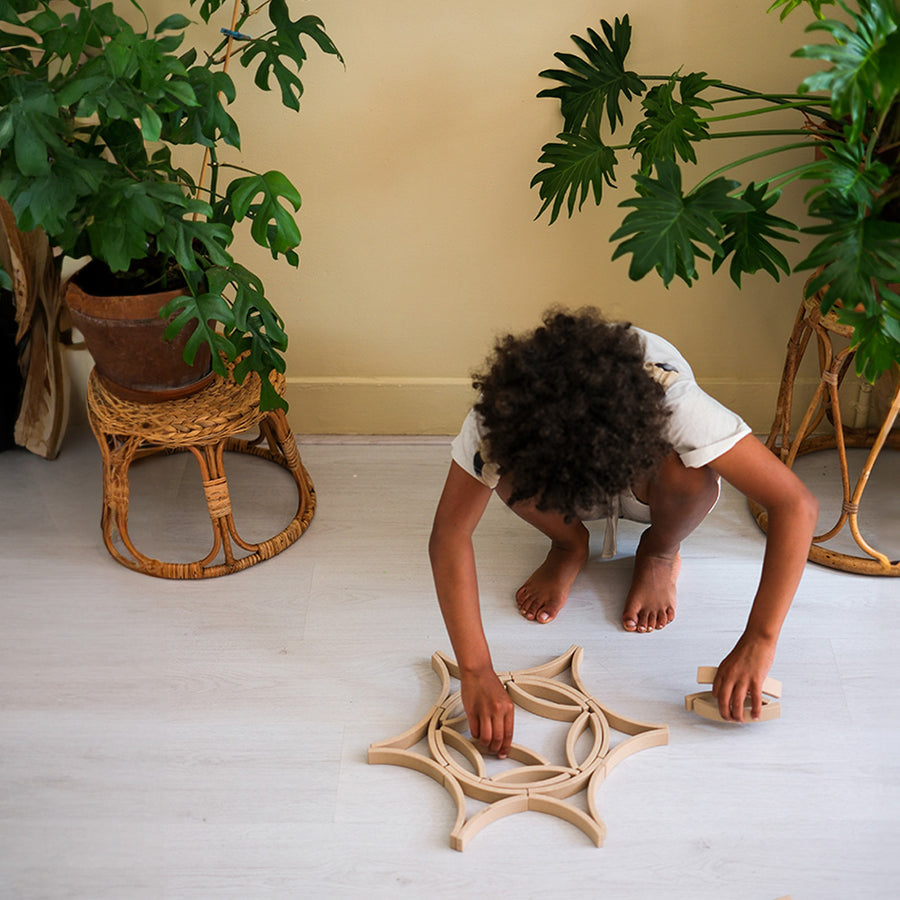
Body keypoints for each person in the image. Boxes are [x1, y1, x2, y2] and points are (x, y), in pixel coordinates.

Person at [429, 307, 818, 758]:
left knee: (689, 476)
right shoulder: (500, 417)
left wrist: (759, 641)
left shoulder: (669, 398)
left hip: (652, 482)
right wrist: (476, 669)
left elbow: (796, 505)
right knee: (503, 469)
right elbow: (450, 535)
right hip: (579, 469)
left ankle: (659, 551)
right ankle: (568, 542)